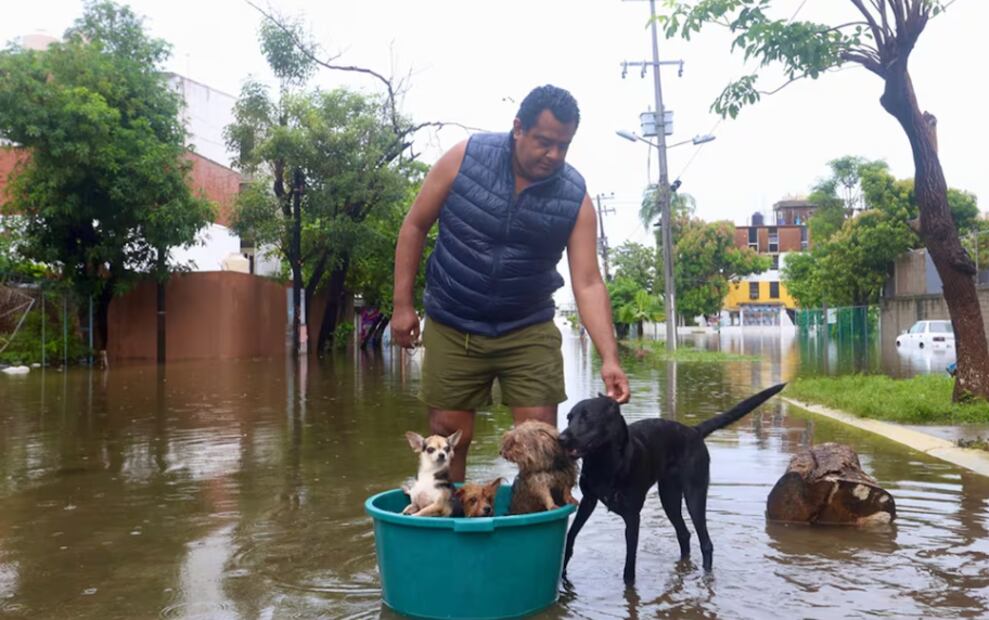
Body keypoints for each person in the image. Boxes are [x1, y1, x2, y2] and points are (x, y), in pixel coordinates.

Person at [392, 84, 630, 481]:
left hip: (527, 326)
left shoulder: (575, 197)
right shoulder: (464, 159)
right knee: (449, 439)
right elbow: (415, 225)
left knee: (540, 439)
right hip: (453, 320)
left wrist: (609, 357)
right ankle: (452, 530)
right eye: (544, 142)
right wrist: (402, 305)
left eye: (564, 146)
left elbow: (587, 282)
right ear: (518, 128)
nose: (553, 155)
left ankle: (533, 531)